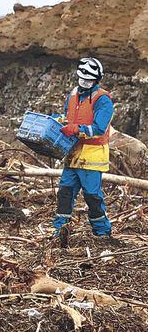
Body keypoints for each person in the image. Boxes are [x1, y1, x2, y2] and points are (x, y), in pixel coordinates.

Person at [53, 57, 113, 236]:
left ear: (96, 80)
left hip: (92, 157)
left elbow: (99, 129)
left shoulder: (103, 100)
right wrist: (61, 121)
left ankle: (102, 232)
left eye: (89, 80)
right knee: (64, 192)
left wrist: (76, 129)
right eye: (82, 78)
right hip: (73, 155)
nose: (84, 82)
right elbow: (68, 116)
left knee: (92, 197)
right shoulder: (73, 95)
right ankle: (60, 230)